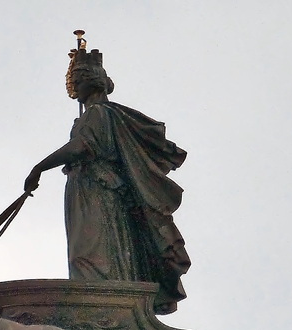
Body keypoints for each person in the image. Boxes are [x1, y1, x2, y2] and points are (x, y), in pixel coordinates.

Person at [24, 38, 191, 315]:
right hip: (90, 191)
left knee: (91, 255)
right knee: (92, 254)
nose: (75, 84)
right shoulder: (98, 115)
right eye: (73, 79)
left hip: (96, 193)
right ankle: (106, 305)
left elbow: (81, 146)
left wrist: (39, 167)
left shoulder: (98, 114)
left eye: (79, 77)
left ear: (95, 80)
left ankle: (104, 310)